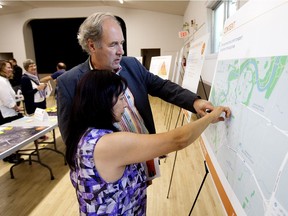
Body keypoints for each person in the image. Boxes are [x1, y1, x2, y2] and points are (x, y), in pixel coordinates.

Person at [66, 69, 231, 215]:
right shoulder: (108, 144)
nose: (126, 105)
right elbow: (179, 140)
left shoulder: (82, 134)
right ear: (104, 100)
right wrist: (210, 117)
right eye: (122, 98)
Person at [57, 12, 215, 146]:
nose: (121, 51)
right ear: (91, 46)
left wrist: (194, 102)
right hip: (110, 175)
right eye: (113, 44)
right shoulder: (70, 82)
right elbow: (70, 137)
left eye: (122, 43)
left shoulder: (131, 65)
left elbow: (162, 87)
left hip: (145, 162)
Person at [0, 60, 24, 163]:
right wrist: (16, 108)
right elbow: (6, 99)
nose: (11, 69)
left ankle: (13, 153)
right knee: (8, 135)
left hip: (9, 111)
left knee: (11, 135)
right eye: (8, 67)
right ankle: (9, 156)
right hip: (6, 113)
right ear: (1, 69)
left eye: (11, 67)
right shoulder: (1, 81)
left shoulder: (4, 80)